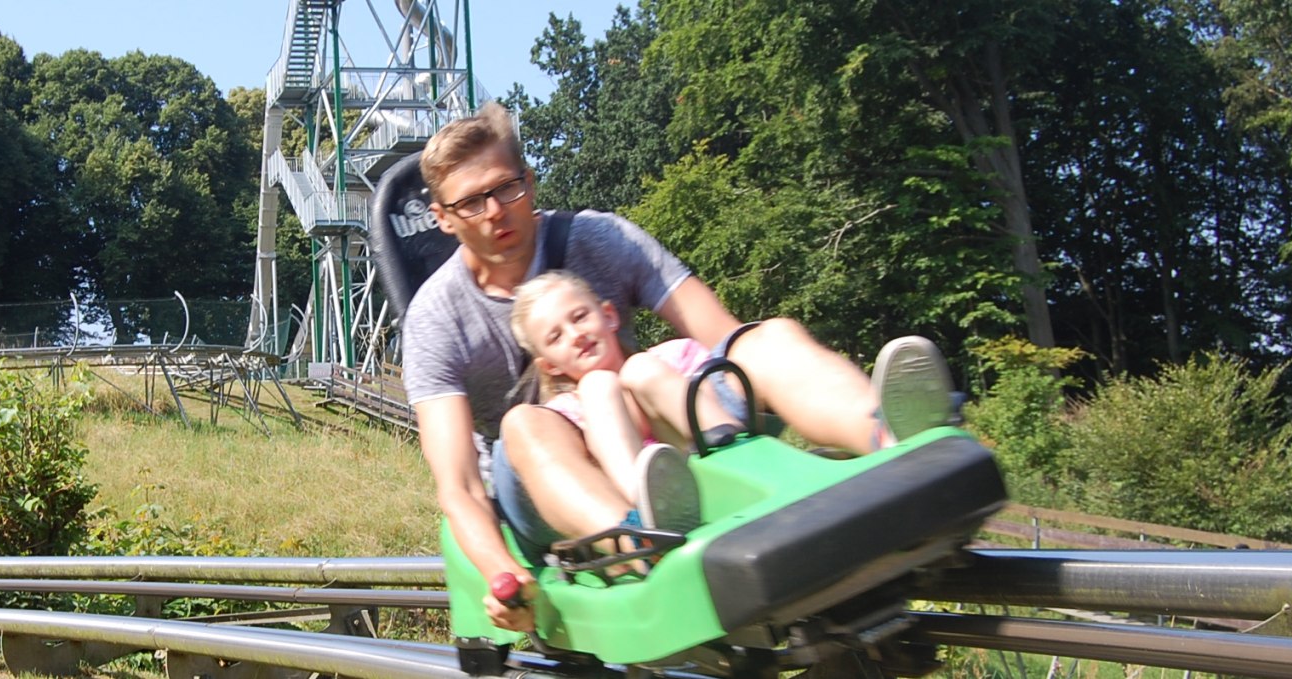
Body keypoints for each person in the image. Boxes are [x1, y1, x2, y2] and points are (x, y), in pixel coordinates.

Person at [399, 102, 956, 634]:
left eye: (506, 188)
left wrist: (748, 360)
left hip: (669, 435)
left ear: (529, 181)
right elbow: (461, 485)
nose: (496, 211)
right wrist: (504, 577)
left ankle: (893, 438)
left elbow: (723, 334)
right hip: (553, 479)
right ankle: (640, 542)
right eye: (473, 202)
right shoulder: (437, 318)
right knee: (524, 424)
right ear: (443, 218)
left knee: (768, 337)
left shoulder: (596, 237)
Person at [507, 269, 734, 535]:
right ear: (549, 366)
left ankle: (736, 452)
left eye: (580, 317)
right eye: (556, 337)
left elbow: (722, 391)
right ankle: (646, 508)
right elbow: (575, 477)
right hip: (655, 504)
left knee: (640, 368)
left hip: (713, 468)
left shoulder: (673, 357)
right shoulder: (564, 415)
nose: (575, 334)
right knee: (597, 386)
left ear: (609, 316)